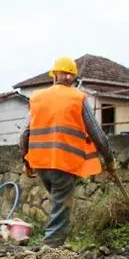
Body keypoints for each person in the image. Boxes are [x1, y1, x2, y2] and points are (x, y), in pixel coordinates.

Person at [19, 57, 114, 247]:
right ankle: (50, 250)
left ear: (54, 75)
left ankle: (53, 248)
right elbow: (97, 133)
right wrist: (109, 160)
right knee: (61, 209)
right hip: (64, 164)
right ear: (73, 78)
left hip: (40, 165)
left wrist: (26, 161)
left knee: (58, 205)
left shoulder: (37, 97)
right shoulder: (78, 98)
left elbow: (24, 134)